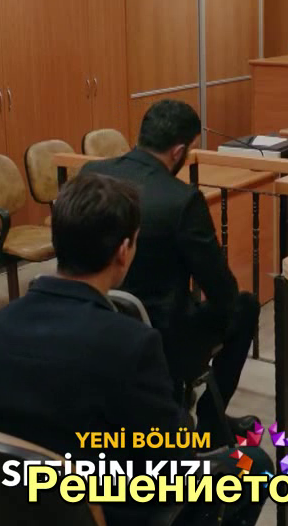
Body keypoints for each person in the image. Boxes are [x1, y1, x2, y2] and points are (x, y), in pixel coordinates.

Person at [0, 173, 270, 526]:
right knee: (255, 465)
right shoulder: (132, 343)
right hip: (113, 517)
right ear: (124, 250)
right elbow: (173, 461)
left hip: (21, 508)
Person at [81, 100, 259, 440]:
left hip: (95, 318)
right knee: (244, 305)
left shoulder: (91, 173)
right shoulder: (181, 200)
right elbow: (221, 289)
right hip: (163, 338)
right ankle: (211, 421)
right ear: (179, 151)